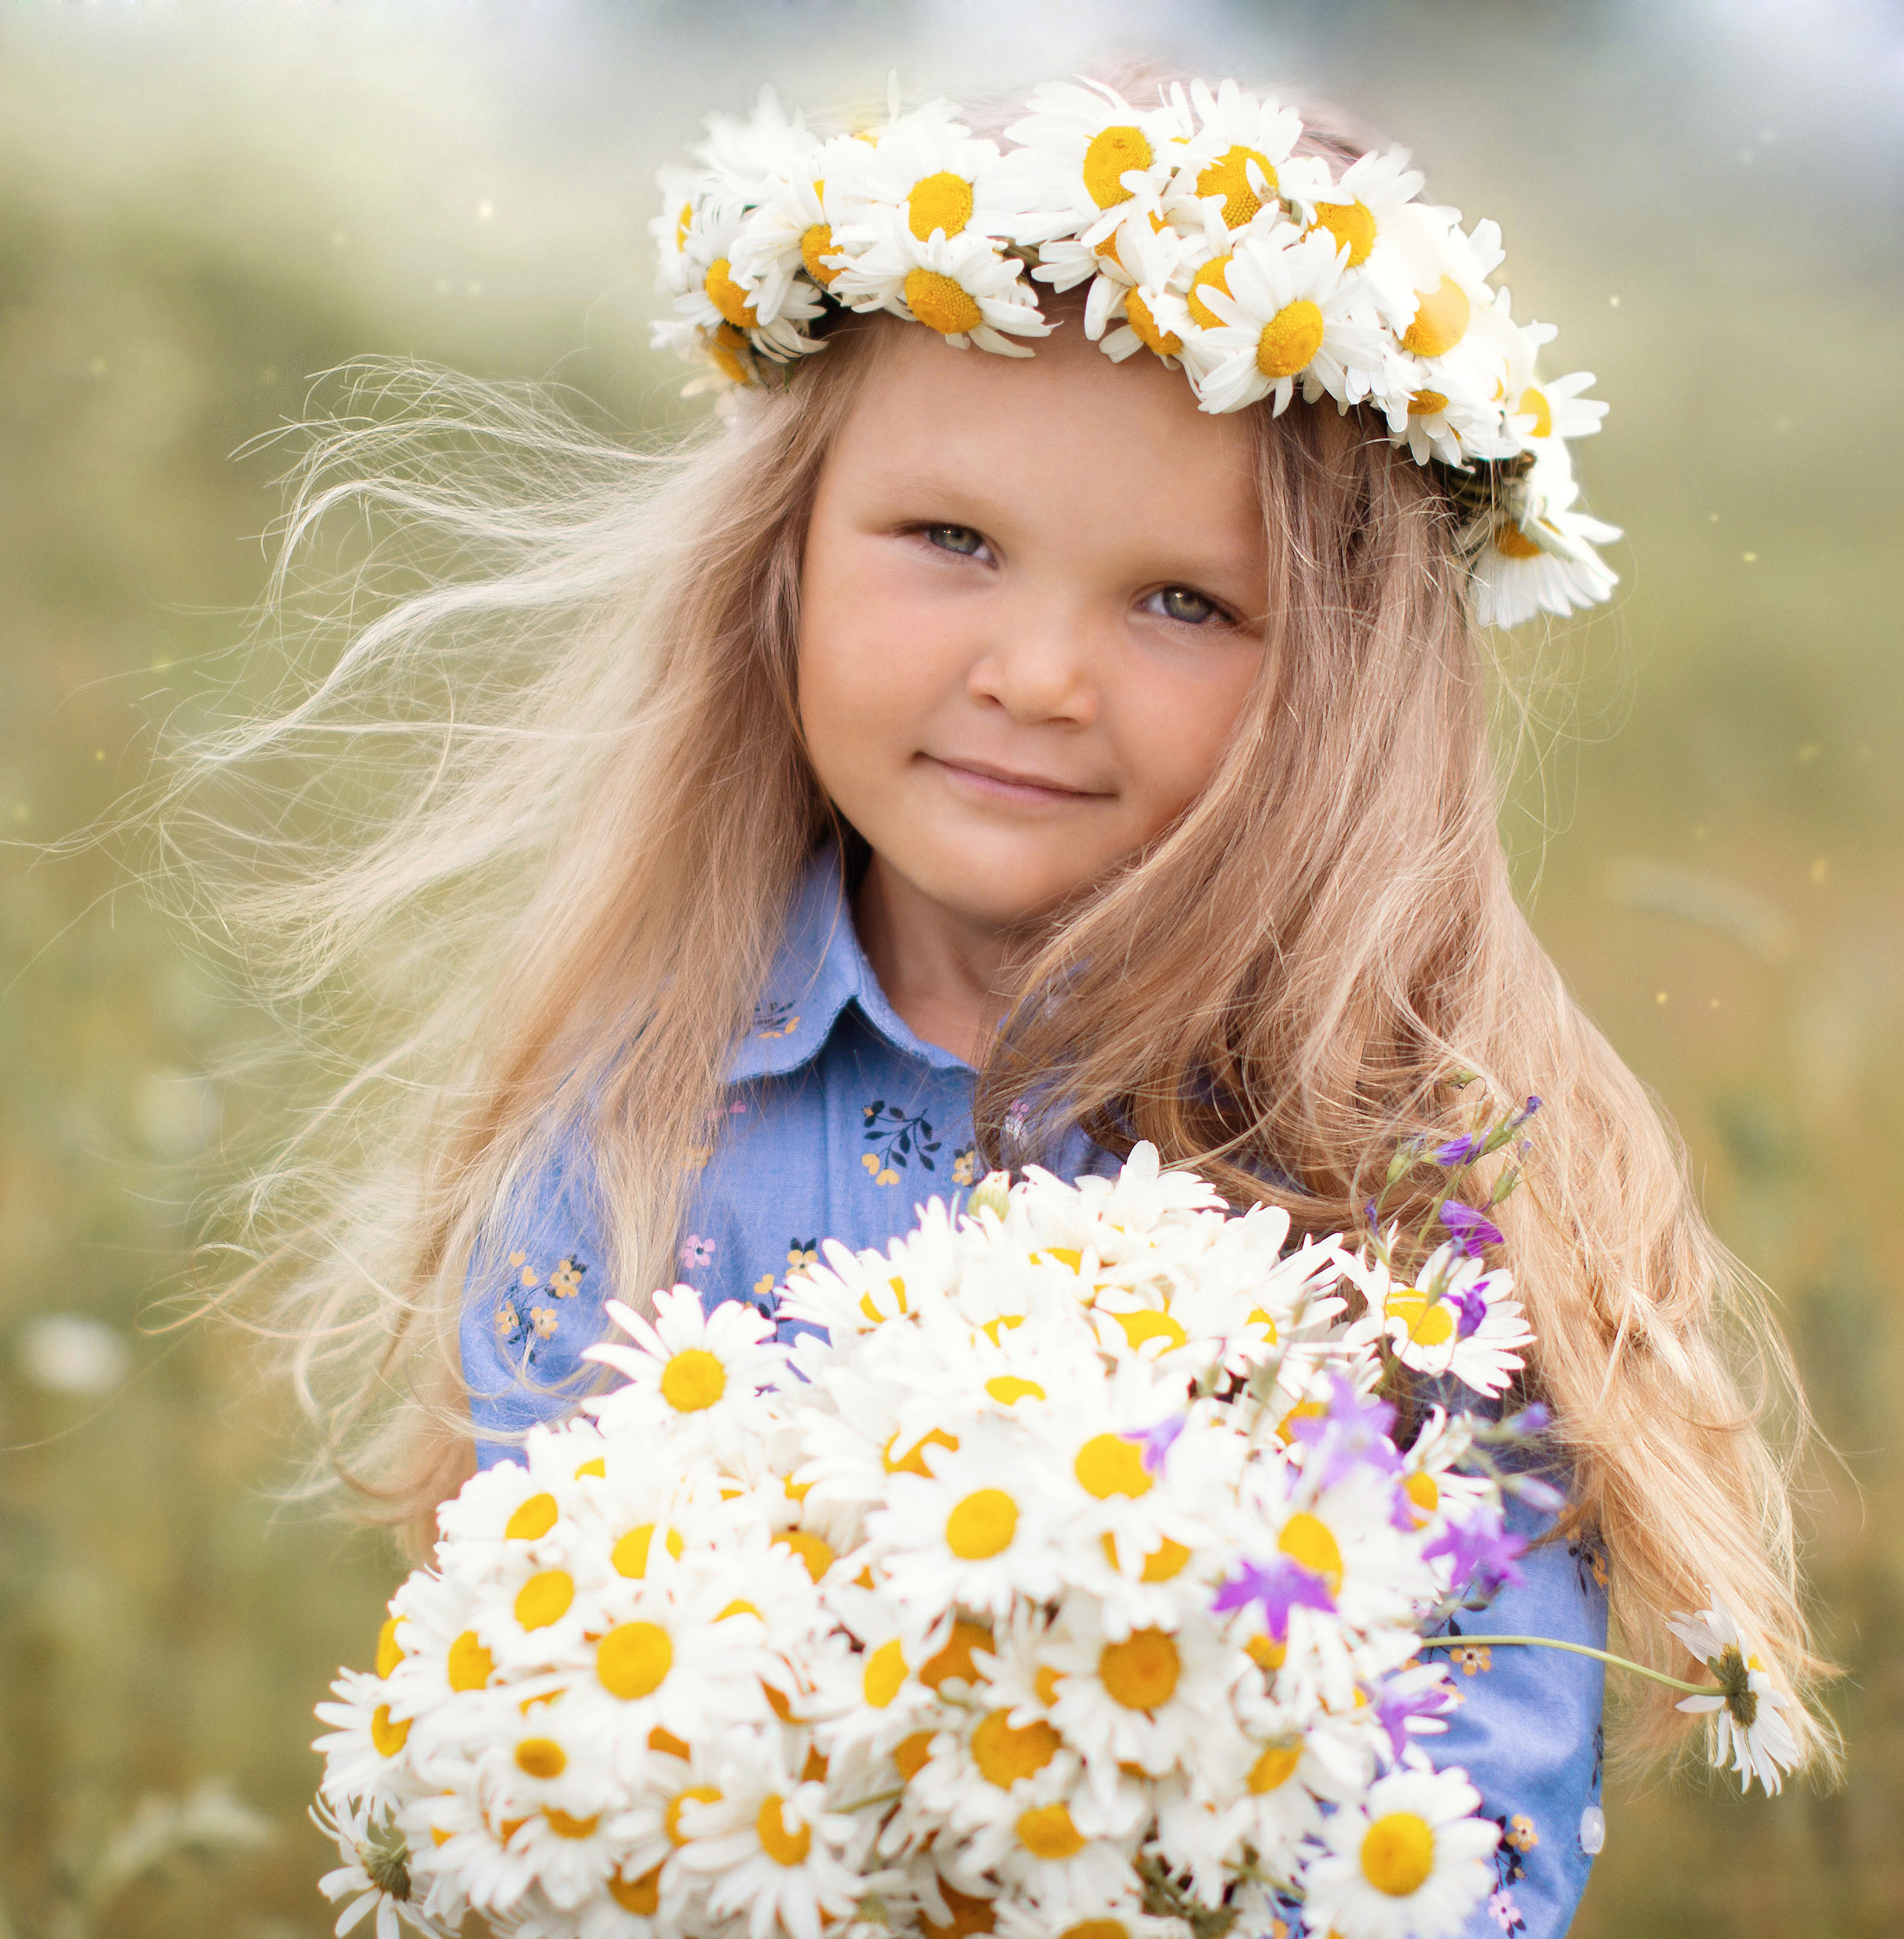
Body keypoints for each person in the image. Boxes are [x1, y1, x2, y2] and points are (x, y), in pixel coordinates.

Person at [189, 67, 1833, 1938]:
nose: (1037, 673)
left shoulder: (1411, 1211)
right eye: (951, 543)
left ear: (1347, 681)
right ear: (783, 560)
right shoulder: (634, 1141)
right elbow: (533, 1721)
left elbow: (1476, 1841)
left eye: (1182, 603)